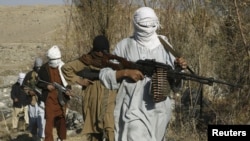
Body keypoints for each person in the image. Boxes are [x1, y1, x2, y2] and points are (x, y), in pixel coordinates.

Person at [98, 7, 188, 141]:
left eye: (151, 24)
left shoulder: (165, 46)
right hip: (132, 108)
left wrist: (179, 69)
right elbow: (104, 74)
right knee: (134, 133)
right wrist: (125, 72)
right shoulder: (125, 45)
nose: (147, 28)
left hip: (159, 108)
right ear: (135, 23)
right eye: (143, 24)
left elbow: (175, 85)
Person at [61, 35, 117, 141]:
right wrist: (80, 80)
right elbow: (66, 68)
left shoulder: (112, 61)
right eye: (98, 51)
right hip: (92, 96)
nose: (101, 54)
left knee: (110, 127)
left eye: (103, 51)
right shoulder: (86, 60)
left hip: (109, 94)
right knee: (94, 129)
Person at [36, 45, 72, 141]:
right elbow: (38, 82)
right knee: (49, 120)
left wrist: (68, 90)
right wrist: (47, 86)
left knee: (61, 120)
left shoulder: (63, 67)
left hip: (61, 99)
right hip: (50, 99)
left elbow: (68, 82)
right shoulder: (44, 69)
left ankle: (61, 138)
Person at [22, 57, 46, 141]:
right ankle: (33, 134)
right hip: (32, 100)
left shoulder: (45, 74)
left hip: (42, 100)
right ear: (35, 66)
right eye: (37, 67)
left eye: (40, 66)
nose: (38, 68)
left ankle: (41, 136)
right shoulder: (29, 74)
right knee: (33, 118)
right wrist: (29, 92)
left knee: (42, 119)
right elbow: (24, 86)